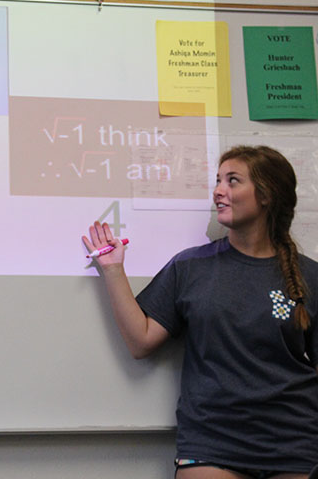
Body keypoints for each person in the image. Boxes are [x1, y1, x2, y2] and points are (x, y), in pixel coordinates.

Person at [83, 145, 318, 479]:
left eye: (233, 181)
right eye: (218, 180)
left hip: (296, 446)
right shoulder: (191, 266)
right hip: (212, 444)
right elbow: (141, 341)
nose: (218, 191)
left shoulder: (310, 276)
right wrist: (112, 270)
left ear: (267, 195)